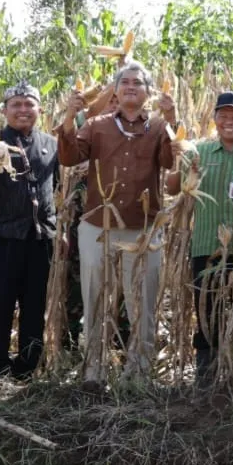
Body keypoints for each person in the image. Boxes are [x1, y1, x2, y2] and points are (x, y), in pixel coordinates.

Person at [59, 59, 178, 384]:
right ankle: (94, 371)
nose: (130, 87)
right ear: (115, 88)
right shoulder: (96, 125)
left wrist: (172, 119)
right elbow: (69, 157)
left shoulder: (157, 127)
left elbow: (171, 161)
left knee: (142, 303)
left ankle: (138, 373)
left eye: (137, 83)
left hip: (144, 229)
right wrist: (70, 116)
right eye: (124, 82)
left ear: (148, 92)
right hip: (98, 227)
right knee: (95, 299)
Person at [167, 92, 233, 384]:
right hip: (206, 246)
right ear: (214, 119)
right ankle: (207, 375)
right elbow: (173, 188)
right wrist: (177, 161)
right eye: (223, 115)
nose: (229, 121)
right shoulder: (198, 151)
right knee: (208, 313)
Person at [0, 81, 58, 381]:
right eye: (16, 105)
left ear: (39, 109)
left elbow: (57, 186)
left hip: (40, 238)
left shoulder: (51, 144)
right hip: (2, 237)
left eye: (29, 104)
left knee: (35, 305)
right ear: (5, 111)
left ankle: (27, 367)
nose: (23, 110)